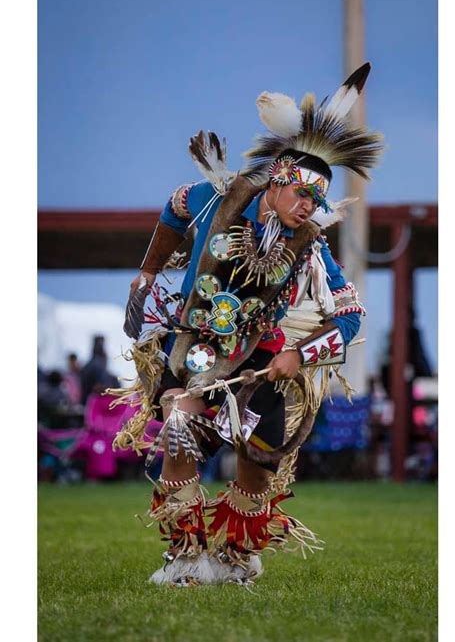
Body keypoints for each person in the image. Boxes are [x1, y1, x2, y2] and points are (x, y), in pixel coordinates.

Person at [113, 63, 383, 586]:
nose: (309, 207)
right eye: (303, 194)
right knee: (178, 431)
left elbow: (350, 317)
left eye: (318, 201)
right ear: (278, 180)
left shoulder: (311, 249)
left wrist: (297, 356)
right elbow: (172, 211)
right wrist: (148, 272)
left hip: (262, 365)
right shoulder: (214, 200)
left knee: (256, 466)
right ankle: (187, 559)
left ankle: (237, 559)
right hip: (192, 351)